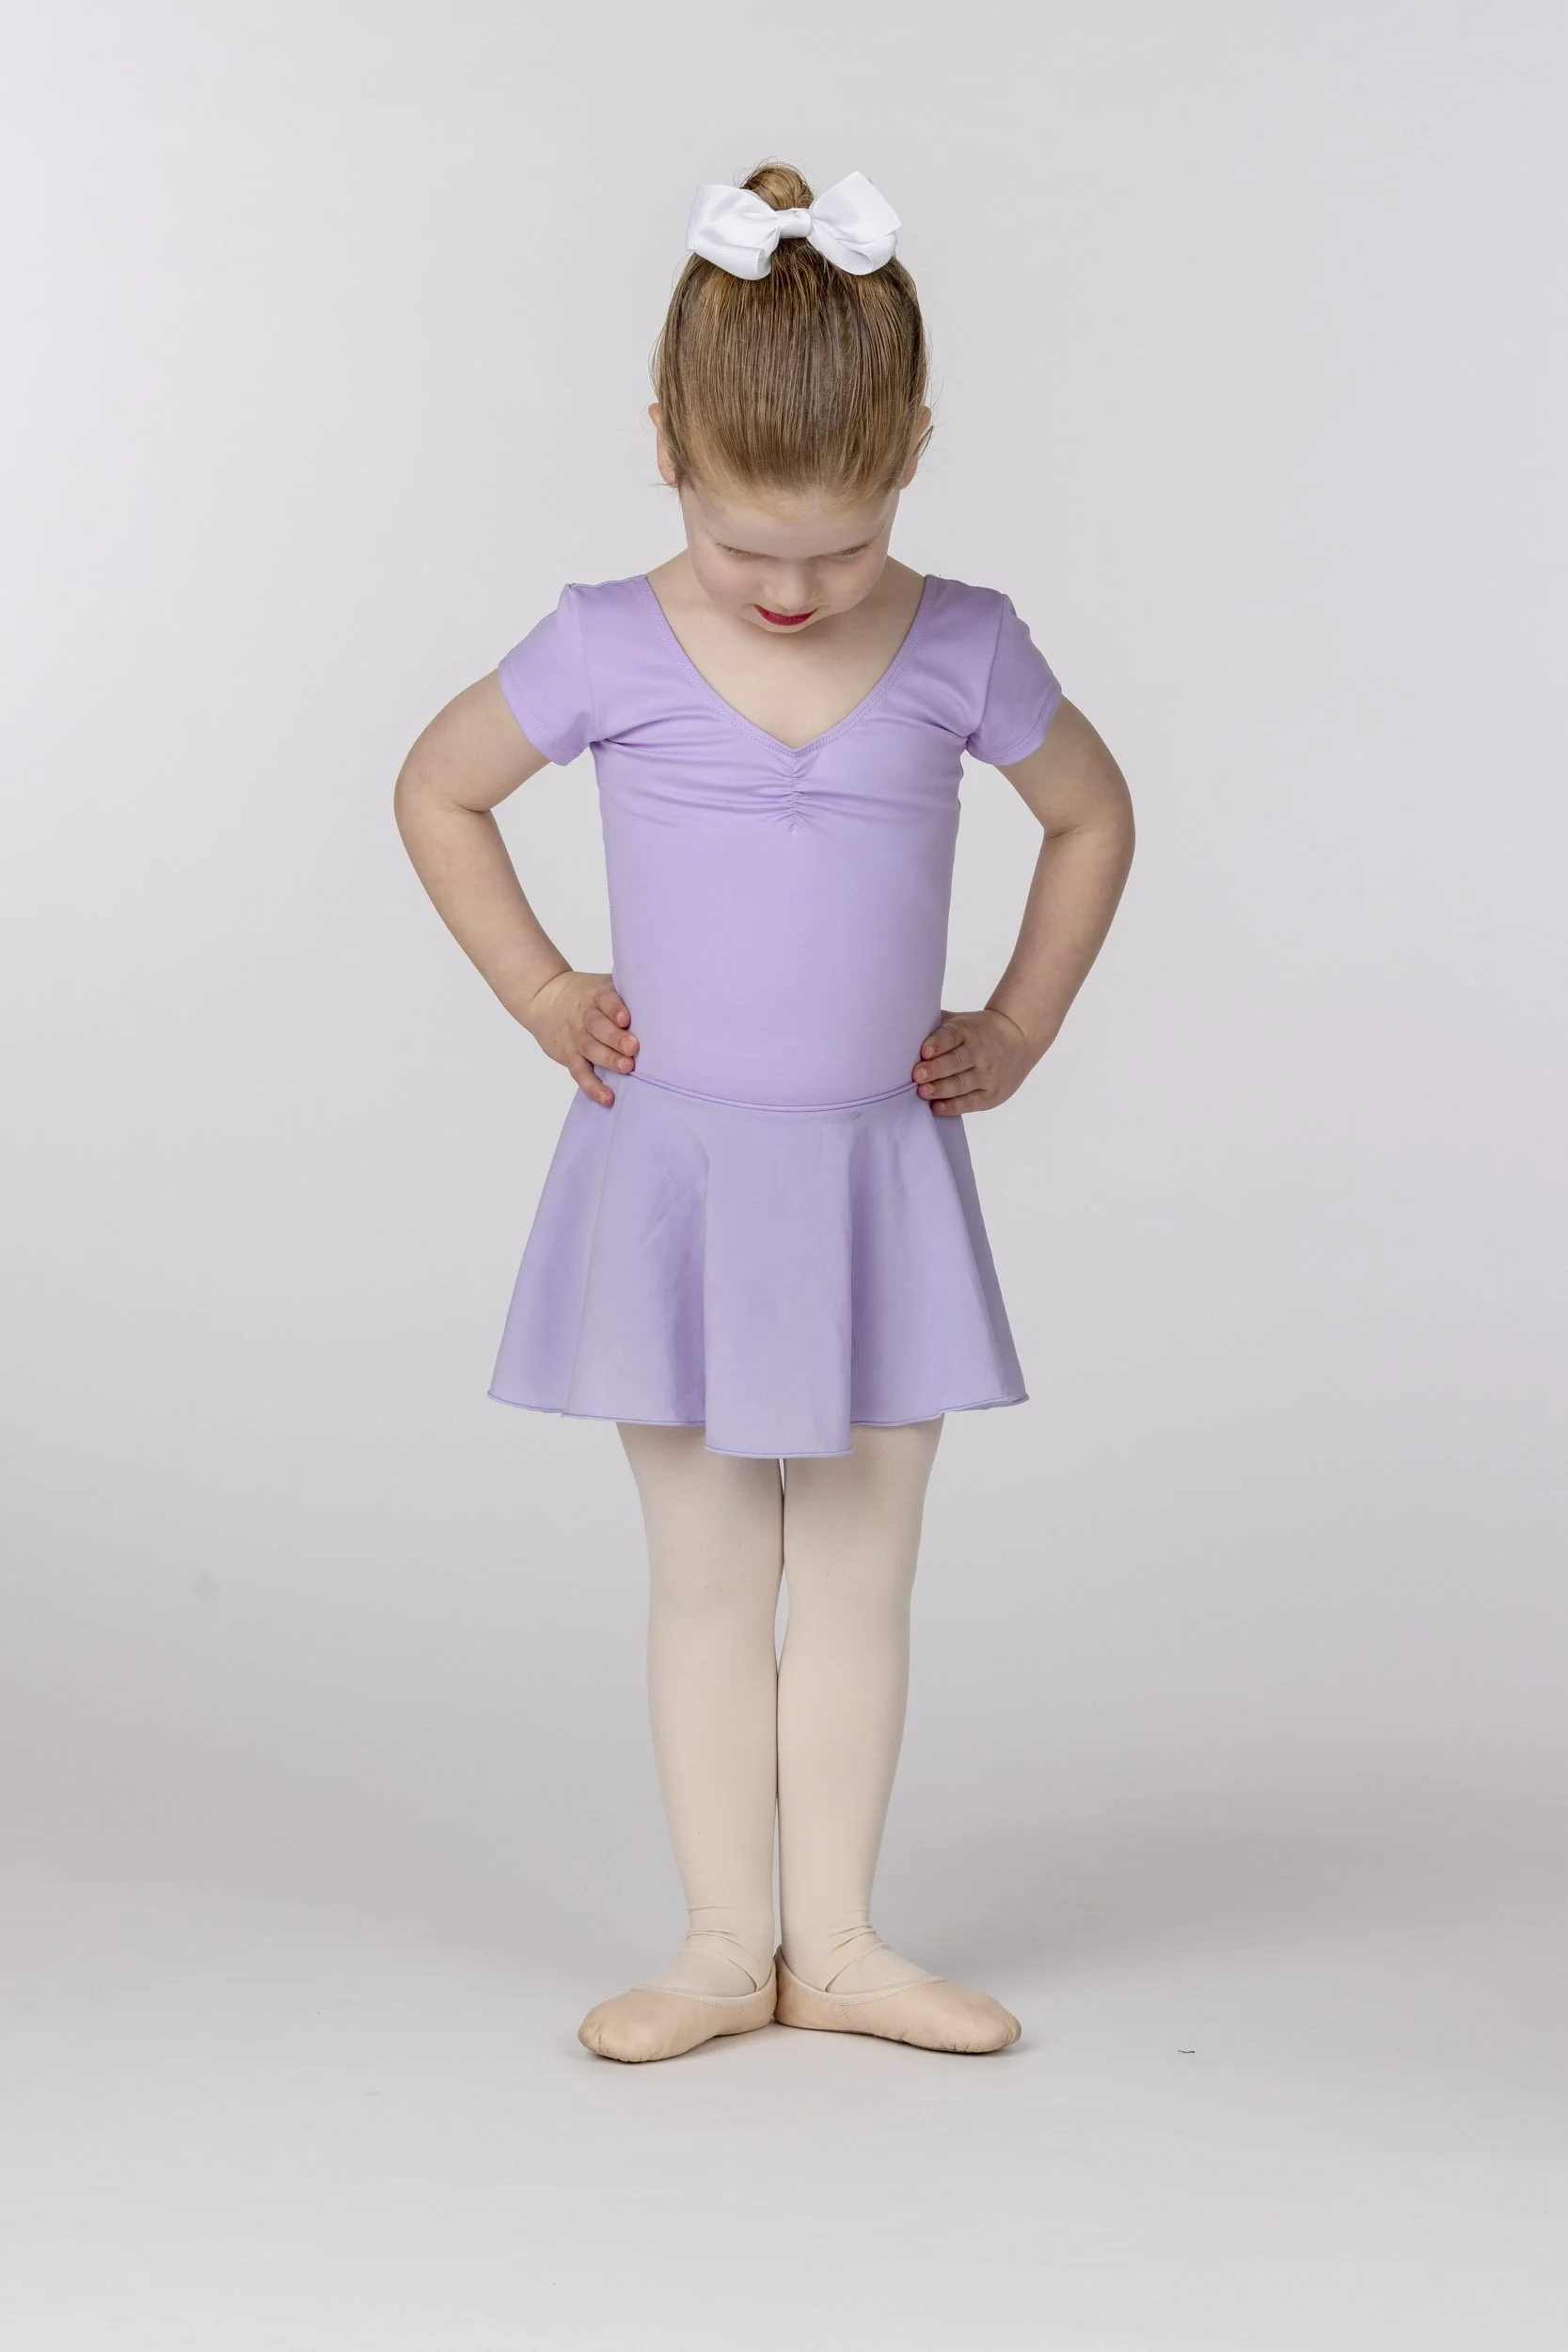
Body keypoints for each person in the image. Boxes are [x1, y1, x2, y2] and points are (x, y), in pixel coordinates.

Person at [393, 163, 1134, 2062]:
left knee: (865, 1575)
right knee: (713, 1573)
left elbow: (1090, 813)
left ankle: (846, 1934)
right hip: (678, 1180)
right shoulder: (603, 641)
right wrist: (545, 988)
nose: (794, 590)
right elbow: (437, 788)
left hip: (877, 1179)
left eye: (844, 544)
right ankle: (726, 1938)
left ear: (915, 461)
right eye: (745, 548)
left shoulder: (961, 639)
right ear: (662, 452)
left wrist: (1021, 1023)